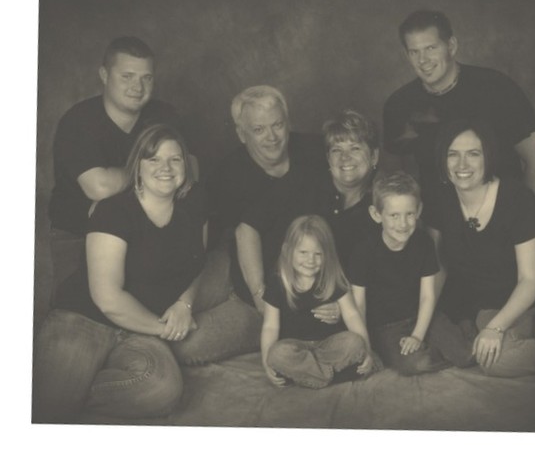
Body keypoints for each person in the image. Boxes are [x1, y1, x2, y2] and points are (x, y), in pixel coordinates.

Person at [32, 125, 259, 423]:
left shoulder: (195, 203)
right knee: (49, 405)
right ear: (137, 166)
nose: (166, 168)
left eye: (175, 159)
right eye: (154, 159)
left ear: (186, 166)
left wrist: (184, 304)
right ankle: (70, 397)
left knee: (161, 390)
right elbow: (108, 298)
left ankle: (80, 394)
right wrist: (163, 330)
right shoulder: (113, 211)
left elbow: (196, 263)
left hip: (140, 327)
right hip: (85, 320)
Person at [424, 119, 535, 391]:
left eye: (473, 154)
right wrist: (423, 318)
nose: (462, 164)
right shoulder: (439, 200)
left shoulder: (518, 200)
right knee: (492, 361)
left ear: (488, 157)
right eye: (453, 154)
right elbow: (437, 268)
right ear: (443, 158)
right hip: (500, 302)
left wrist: (494, 329)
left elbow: (530, 280)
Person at [48, 36, 188, 302]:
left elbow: (190, 169)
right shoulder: (78, 121)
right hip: (78, 235)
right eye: (127, 76)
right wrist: (153, 174)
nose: (137, 87)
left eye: (146, 78)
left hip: (144, 233)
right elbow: (99, 187)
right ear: (104, 75)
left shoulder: (165, 116)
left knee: (148, 304)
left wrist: (126, 178)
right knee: (76, 310)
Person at [383, 9, 535, 210]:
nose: (423, 60)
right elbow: (395, 180)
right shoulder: (399, 104)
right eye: (414, 52)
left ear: (451, 46)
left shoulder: (496, 88)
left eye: (431, 48)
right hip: (435, 222)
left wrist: (523, 217)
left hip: (502, 218)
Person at [236, 109, 380, 315]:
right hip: (251, 292)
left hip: (301, 315)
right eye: (336, 150)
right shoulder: (304, 179)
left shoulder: (381, 209)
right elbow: (246, 229)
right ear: (328, 158)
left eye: (355, 148)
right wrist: (260, 296)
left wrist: (344, 308)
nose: (345, 157)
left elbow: (381, 277)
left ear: (374, 156)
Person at [208, 85, 327, 307]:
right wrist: (261, 299)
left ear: (288, 123)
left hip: (321, 278)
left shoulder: (316, 151)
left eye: (278, 125)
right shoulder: (228, 176)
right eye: (259, 129)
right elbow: (243, 235)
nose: (272, 137)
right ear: (242, 134)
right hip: (263, 284)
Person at [348, 171, 449, 375]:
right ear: (376, 214)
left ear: (419, 210)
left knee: (463, 352)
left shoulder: (424, 243)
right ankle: (429, 351)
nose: (403, 224)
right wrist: (365, 348)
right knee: (415, 364)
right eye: (394, 215)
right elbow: (358, 305)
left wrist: (417, 335)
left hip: (421, 316)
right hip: (386, 327)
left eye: (409, 214)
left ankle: (453, 338)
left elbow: (428, 296)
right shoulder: (363, 251)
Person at [261, 215, 375, 389]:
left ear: (328, 255)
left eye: (318, 254)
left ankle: (310, 376)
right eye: (303, 252)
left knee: (354, 342)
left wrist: (367, 350)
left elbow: (352, 315)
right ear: (287, 250)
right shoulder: (277, 283)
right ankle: (330, 376)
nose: (310, 260)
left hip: (329, 346)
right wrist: (266, 362)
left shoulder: (332, 279)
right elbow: (270, 326)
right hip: (295, 348)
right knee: (277, 354)